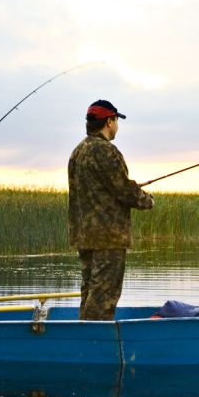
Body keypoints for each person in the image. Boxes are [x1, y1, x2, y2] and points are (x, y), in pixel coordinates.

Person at [68, 100, 154, 321]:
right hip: (108, 236)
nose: (117, 126)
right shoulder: (106, 151)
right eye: (116, 121)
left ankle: (83, 337)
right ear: (109, 121)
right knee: (104, 295)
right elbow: (124, 189)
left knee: (89, 291)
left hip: (84, 235)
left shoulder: (77, 152)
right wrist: (147, 199)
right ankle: (95, 343)